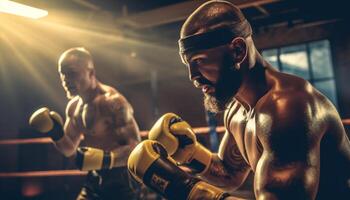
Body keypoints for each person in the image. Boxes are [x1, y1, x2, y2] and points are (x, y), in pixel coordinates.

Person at [128, 1, 350, 200]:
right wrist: (190, 154)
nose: (193, 77)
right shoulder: (236, 109)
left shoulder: (288, 107)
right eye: (189, 65)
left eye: (199, 61)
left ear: (237, 50)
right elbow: (230, 173)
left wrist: (178, 186)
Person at [29, 47, 141, 200]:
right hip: (95, 175)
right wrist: (55, 132)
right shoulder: (74, 107)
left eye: (72, 73)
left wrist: (105, 159)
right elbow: (69, 149)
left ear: (91, 73)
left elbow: (137, 148)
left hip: (122, 179)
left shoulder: (113, 102)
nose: (66, 80)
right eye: (63, 74)